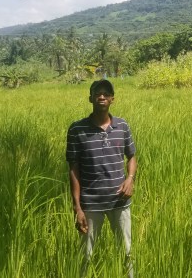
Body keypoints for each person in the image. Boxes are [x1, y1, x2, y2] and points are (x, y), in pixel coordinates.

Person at [66, 79, 137, 277]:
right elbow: (73, 169)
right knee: (85, 256)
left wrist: (130, 178)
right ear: (90, 98)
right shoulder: (77, 129)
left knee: (127, 252)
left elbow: (132, 156)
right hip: (90, 204)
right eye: (98, 93)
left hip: (119, 201)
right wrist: (77, 207)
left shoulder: (122, 125)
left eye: (106, 93)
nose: (102, 96)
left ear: (113, 99)